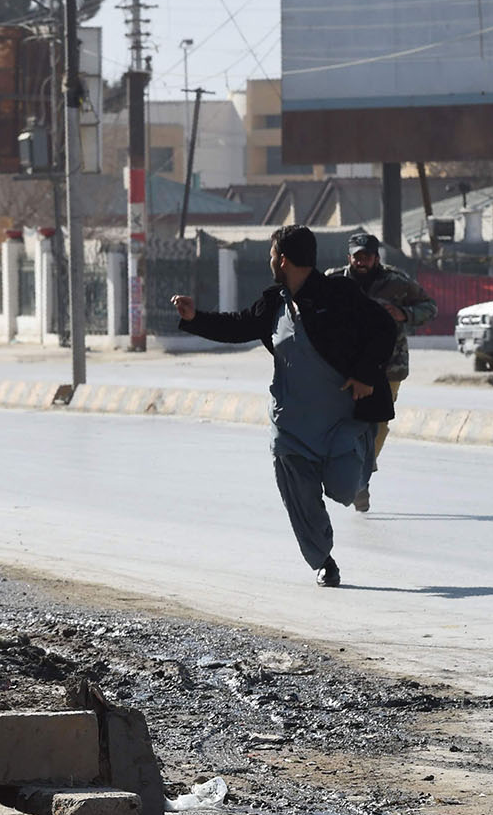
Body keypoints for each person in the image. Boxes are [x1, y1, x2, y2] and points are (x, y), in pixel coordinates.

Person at [171, 225, 396, 588]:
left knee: (344, 489)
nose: (270, 262)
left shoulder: (338, 294)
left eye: (272, 255)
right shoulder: (275, 303)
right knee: (298, 494)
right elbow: (239, 326)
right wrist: (196, 319)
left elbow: (384, 329)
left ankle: (362, 458)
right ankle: (323, 559)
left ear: (284, 260)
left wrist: (366, 374)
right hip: (291, 423)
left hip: (341, 419)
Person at [325, 233, 436, 512]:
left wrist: (404, 314)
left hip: (388, 366)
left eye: (367, 256)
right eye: (357, 256)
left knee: (378, 425)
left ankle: (362, 478)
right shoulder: (334, 280)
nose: (362, 261)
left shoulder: (396, 282)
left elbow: (429, 306)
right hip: (344, 364)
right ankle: (349, 471)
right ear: (349, 257)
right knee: (343, 420)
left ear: (377, 257)